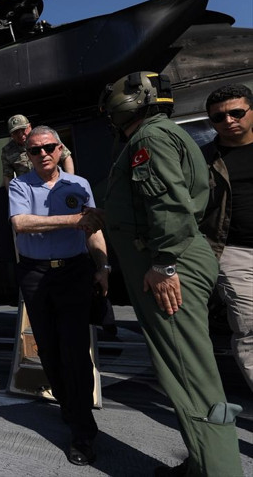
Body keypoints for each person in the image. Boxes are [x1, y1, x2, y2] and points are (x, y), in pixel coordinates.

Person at [97, 71, 243, 476]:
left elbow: (169, 206)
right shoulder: (162, 134)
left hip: (166, 262)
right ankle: (203, 462)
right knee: (182, 370)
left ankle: (219, 470)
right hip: (169, 256)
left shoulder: (149, 138)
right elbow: (152, 205)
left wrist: (164, 265)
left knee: (190, 375)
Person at [8, 126, 109, 467]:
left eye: (49, 147)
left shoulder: (79, 186)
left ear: (60, 148)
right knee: (48, 351)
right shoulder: (19, 185)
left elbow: (93, 230)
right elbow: (21, 223)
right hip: (36, 274)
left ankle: (83, 433)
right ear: (29, 155)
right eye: (36, 150)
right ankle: (70, 406)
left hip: (73, 271)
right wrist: (75, 220)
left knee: (76, 351)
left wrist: (103, 265)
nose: (43, 154)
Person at [199, 84, 253, 391]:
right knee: (249, 330)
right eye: (219, 117)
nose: (229, 120)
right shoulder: (205, 159)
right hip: (235, 252)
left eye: (236, 112)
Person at [1, 114, 74, 189]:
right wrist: (13, 195)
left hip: (54, 183)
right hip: (29, 189)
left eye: (23, 129)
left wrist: (69, 181)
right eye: (16, 132)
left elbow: (66, 157)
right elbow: (8, 176)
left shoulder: (45, 137)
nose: (20, 135)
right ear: (11, 134)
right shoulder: (7, 151)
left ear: (29, 126)